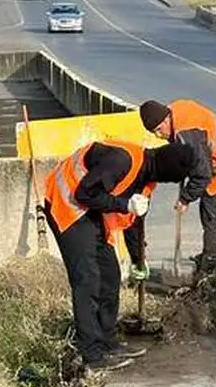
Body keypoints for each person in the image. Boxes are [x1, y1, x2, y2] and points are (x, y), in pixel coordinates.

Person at [44, 137, 198, 372]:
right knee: (87, 280)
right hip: (66, 204)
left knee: (110, 275)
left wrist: (139, 260)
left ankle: (107, 342)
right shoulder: (122, 160)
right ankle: (92, 356)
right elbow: (84, 193)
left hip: (90, 212)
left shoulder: (146, 179)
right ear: (169, 172)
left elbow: (133, 222)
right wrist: (124, 204)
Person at [138, 98, 216, 280]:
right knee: (213, 216)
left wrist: (185, 199)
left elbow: (202, 175)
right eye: (154, 132)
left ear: (167, 120)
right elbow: (196, 158)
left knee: (212, 215)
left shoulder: (186, 135)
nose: (159, 136)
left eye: (159, 130)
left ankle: (207, 271)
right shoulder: (177, 111)